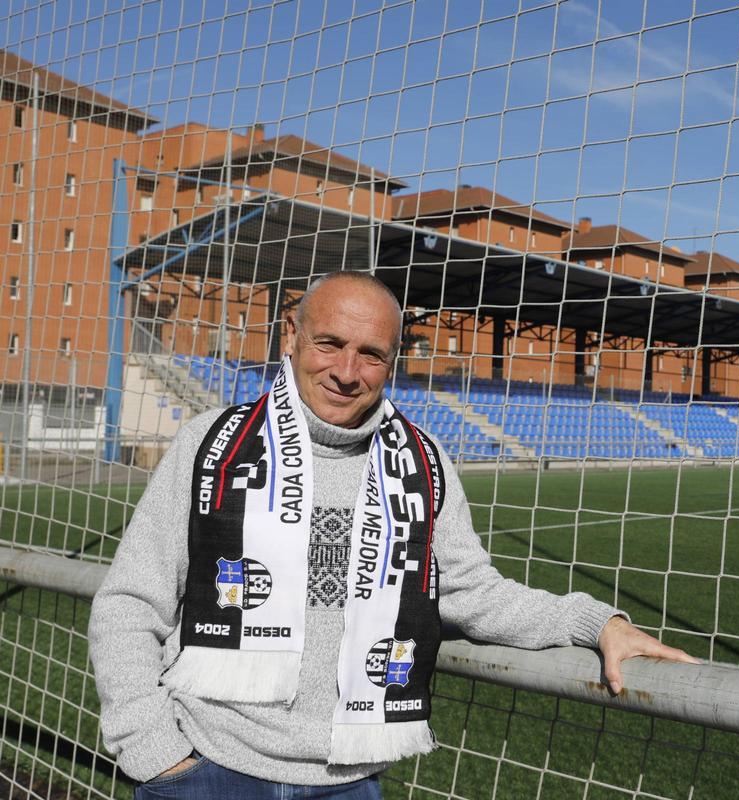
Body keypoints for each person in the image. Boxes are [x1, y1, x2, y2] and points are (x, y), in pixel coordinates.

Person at [88, 271, 697, 798]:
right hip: (207, 773)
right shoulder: (210, 445)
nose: (347, 372)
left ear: (392, 362)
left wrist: (597, 624)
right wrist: (155, 753)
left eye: (371, 354)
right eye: (329, 343)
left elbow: (472, 593)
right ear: (291, 338)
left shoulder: (422, 462)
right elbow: (129, 605)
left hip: (350, 783)